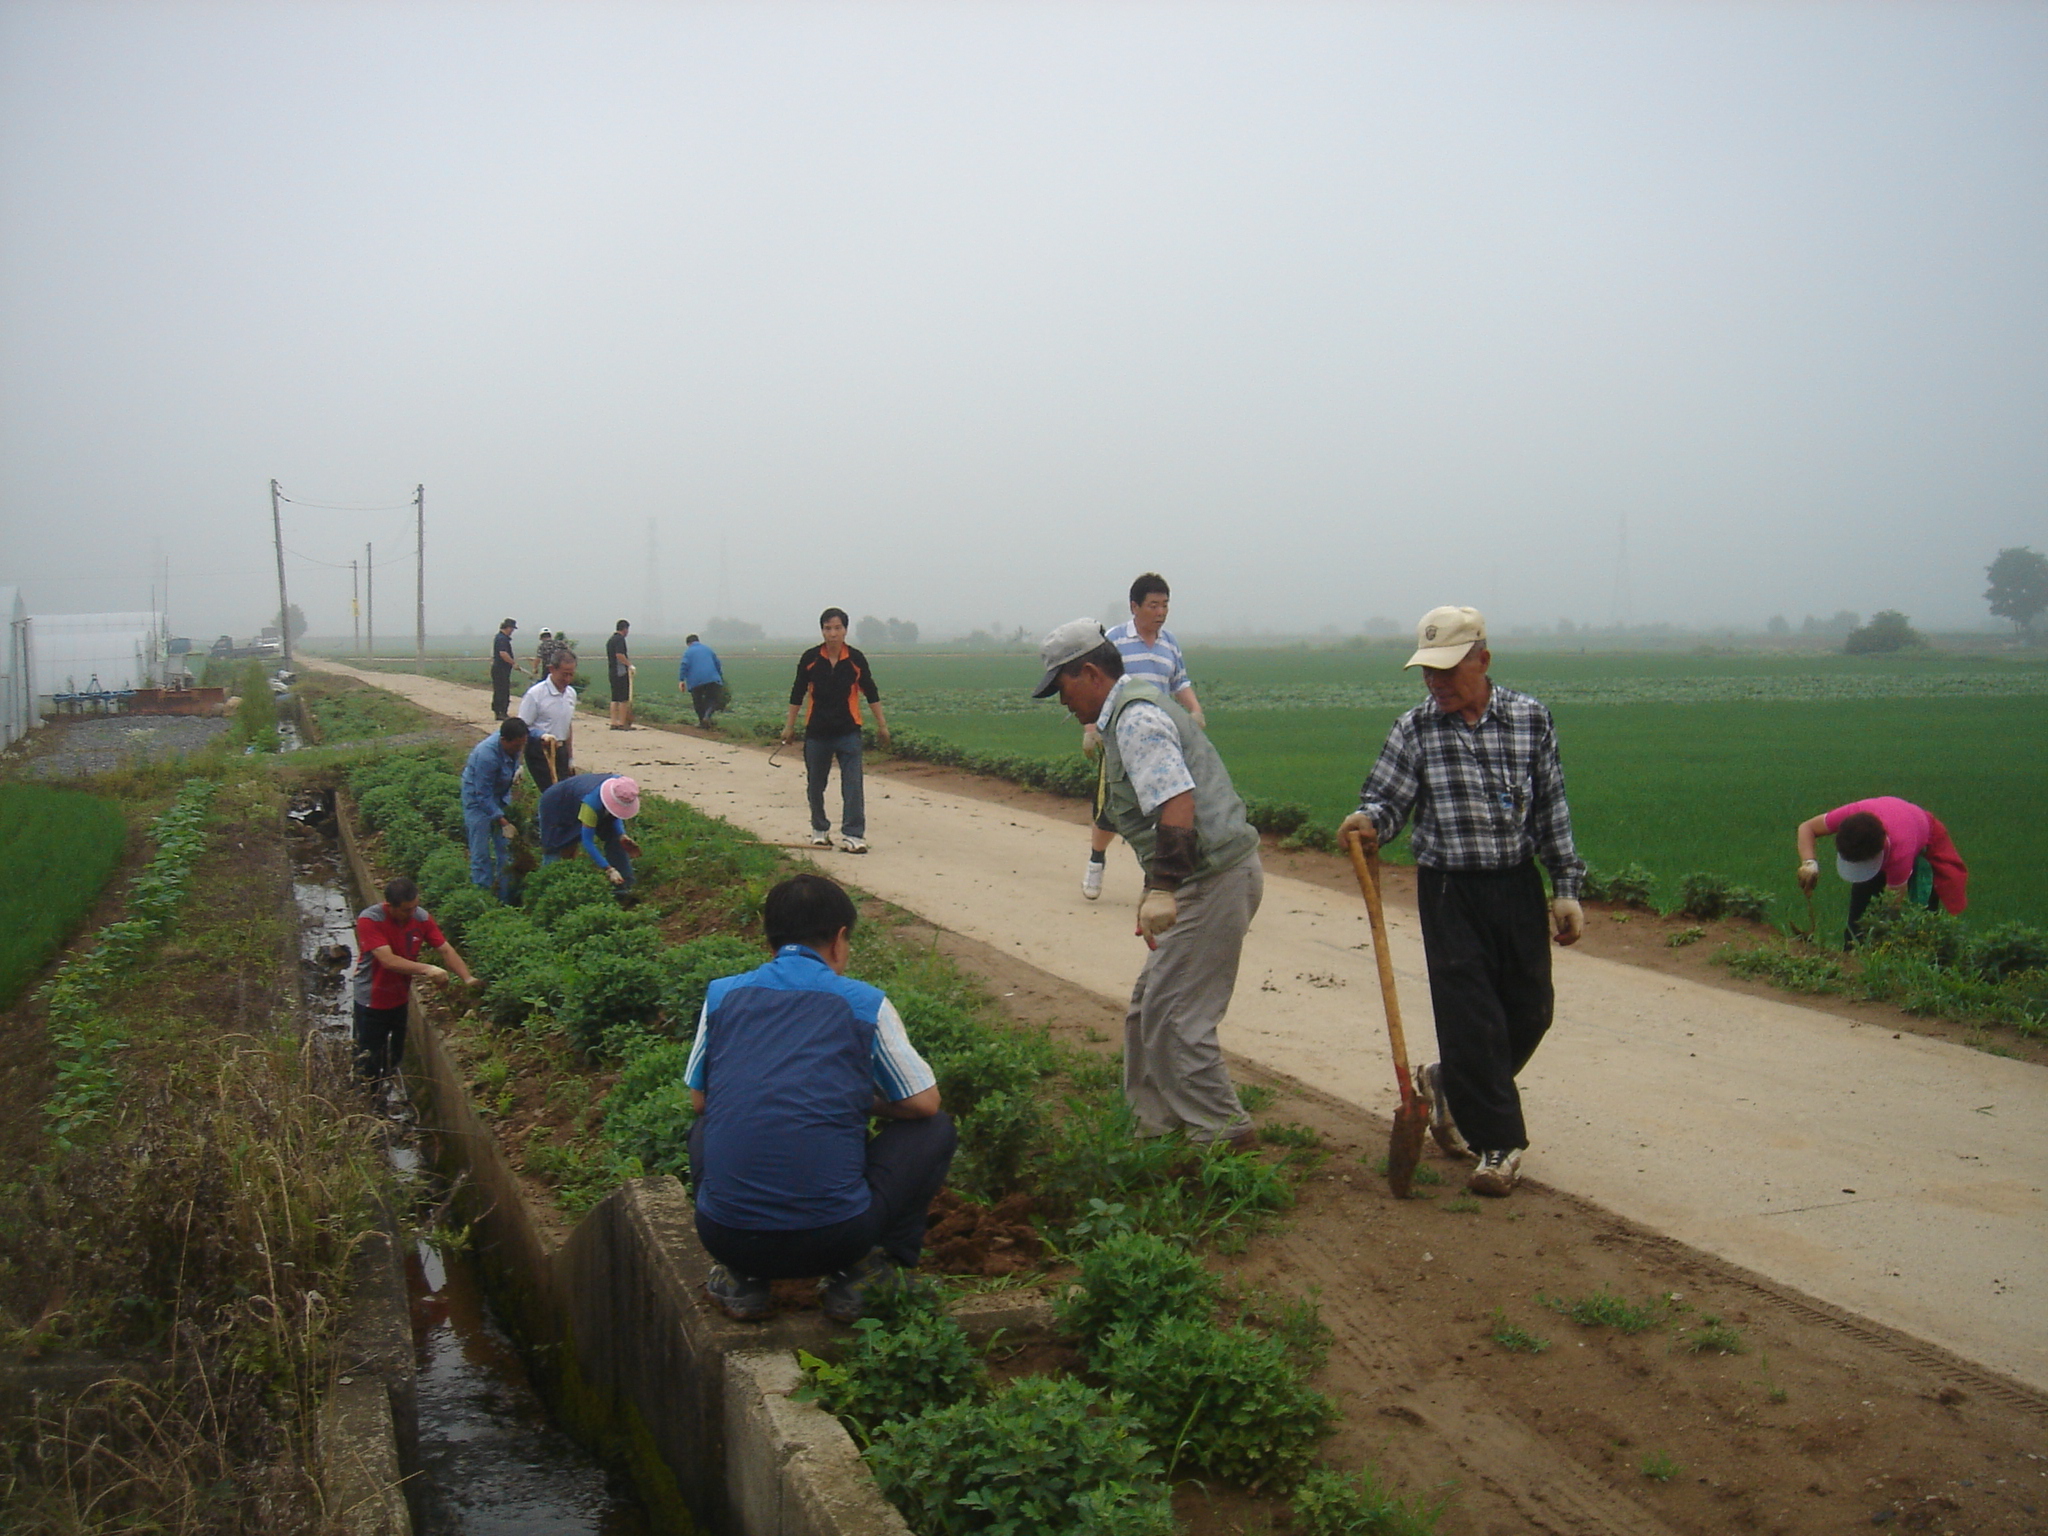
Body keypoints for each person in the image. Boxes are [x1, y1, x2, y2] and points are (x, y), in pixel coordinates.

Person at [1338, 606, 1585, 1199]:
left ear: (1483, 658)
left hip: (1515, 885)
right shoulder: (1415, 729)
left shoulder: (1530, 719)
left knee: (1530, 1013)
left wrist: (1566, 888)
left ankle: (1447, 1081)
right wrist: (1368, 822)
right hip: (1449, 889)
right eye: (1428, 671)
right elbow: (1386, 799)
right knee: (1472, 1017)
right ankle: (1498, 1146)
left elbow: (1552, 807)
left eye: (1448, 669)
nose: (1437, 683)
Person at [686, 873, 956, 1323]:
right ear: (839, 939)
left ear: (766, 937)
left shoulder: (722, 995)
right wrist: (858, 1098)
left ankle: (743, 1278)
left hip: (726, 1234)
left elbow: (701, 1101)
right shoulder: (862, 1002)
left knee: (705, 1126)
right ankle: (870, 1273)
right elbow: (925, 1103)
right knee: (934, 1129)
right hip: (837, 1237)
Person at [1035, 619, 1261, 1150]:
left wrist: (1163, 887)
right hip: (1199, 877)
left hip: (1213, 877)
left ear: (1088, 672)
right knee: (1148, 1009)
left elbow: (1177, 802)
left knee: (1177, 1015)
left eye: (1060, 688)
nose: (1060, 702)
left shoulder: (1135, 719)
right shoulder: (1125, 715)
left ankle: (1224, 1136)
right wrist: (1156, 889)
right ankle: (1152, 1129)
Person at [1080, 573, 1207, 901]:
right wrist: (1090, 730)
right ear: (1135, 606)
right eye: (1153, 605)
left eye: (1165, 605)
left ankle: (1157, 879)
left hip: (1163, 738)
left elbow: (1180, 681)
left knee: (1164, 807)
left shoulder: (1170, 644)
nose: (1161, 612)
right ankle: (1096, 860)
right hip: (1120, 738)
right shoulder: (1115, 641)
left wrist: (1194, 710)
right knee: (1113, 807)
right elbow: (1093, 685)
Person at [782, 608, 891, 853]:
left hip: (848, 731)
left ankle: (853, 835)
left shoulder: (855, 659)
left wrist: (882, 725)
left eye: (838, 628)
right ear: (822, 630)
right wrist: (789, 726)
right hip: (817, 732)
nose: (833, 633)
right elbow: (797, 693)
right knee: (815, 784)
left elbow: (870, 692)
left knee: (853, 784)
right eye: (828, 628)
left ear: (845, 630)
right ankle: (820, 830)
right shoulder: (810, 658)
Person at [1795, 797, 1967, 949]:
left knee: (1921, 920)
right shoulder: (1851, 817)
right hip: (1885, 829)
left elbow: (1893, 906)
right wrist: (1809, 864)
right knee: (1858, 918)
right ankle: (1851, 951)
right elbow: (1807, 828)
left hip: (1922, 839)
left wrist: (1882, 939)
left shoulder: (1901, 851)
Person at [351, 876, 478, 1082]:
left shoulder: (420, 918)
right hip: (371, 1002)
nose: (412, 913)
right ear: (390, 906)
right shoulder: (370, 920)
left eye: (415, 907)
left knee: (395, 1055)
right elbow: (388, 960)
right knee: (368, 1059)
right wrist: (428, 969)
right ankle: (366, 1100)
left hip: (399, 998)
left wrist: (467, 978)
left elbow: (445, 950)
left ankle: (387, 1090)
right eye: (406, 910)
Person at [537, 771, 642, 889]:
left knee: (617, 841)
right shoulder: (592, 804)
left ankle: (624, 888)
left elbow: (615, 814)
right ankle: (547, 889)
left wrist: (621, 835)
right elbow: (588, 841)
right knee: (555, 848)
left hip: (581, 799)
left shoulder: (623, 787)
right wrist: (608, 869)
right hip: (556, 804)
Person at [460, 717, 528, 897]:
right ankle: (483, 897)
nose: (518, 750)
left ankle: (504, 898)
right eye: (515, 747)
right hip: (477, 800)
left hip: (500, 796)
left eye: (522, 745)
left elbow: (533, 733)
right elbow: (483, 795)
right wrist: (503, 821)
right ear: (503, 740)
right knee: (480, 853)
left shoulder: (515, 740)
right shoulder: (486, 756)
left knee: (506, 851)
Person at [517, 651, 578, 794]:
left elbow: (567, 726)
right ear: (552, 669)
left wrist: (570, 758)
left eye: (571, 674)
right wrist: (517, 763)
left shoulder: (570, 694)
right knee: (551, 793)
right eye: (564, 674)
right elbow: (521, 729)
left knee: (565, 792)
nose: (567, 679)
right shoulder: (536, 695)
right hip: (540, 751)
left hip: (560, 750)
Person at [679, 633, 728, 726]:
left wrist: (681, 680)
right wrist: (720, 677)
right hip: (712, 679)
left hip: (696, 681)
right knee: (713, 699)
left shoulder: (688, 652)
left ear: (688, 643)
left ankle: (702, 722)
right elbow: (717, 664)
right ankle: (707, 716)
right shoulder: (708, 649)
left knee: (698, 702)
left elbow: (684, 665)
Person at [605, 619, 637, 730]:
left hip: (612, 671)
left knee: (615, 698)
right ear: (625, 629)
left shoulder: (610, 640)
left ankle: (614, 722)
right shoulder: (620, 640)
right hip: (620, 672)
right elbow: (619, 655)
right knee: (623, 698)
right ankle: (622, 723)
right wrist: (629, 665)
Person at [489, 618, 523, 717]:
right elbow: (503, 653)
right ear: (507, 627)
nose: (512, 631)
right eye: (512, 629)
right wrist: (513, 663)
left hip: (499, 668)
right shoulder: (502, 639)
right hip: (501, 669)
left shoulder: (499, 637)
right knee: (502, 691)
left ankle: (499, 711)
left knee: (499, 689)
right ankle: (501, 712)